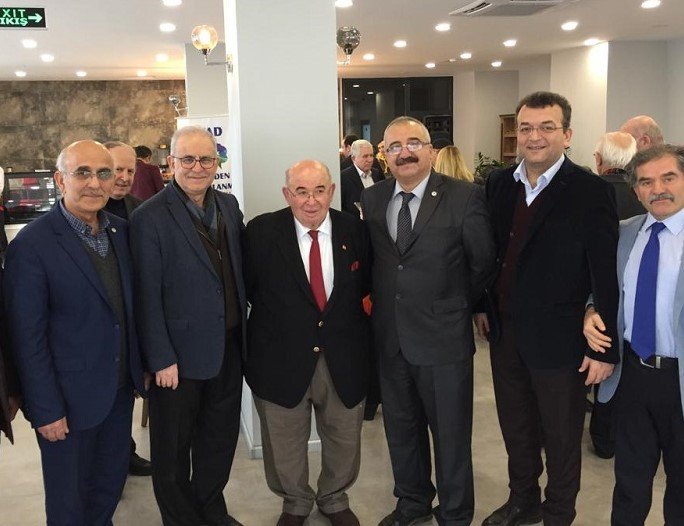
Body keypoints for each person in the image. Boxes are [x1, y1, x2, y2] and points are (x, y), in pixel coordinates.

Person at [474, 91, 619, 526]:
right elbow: (490, 254)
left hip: (562, 340)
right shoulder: (500, 184)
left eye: (546, 127)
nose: (534, 136)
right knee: (516, 427)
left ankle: (558, 513)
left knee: (560, 436)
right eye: (526, 128)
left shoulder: (590, 191)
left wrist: (604, 348)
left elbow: (604, 272)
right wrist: (482, 305)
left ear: (567, 135)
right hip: (505, 334)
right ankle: (523, 501)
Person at [360, 116, 496, 526]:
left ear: (431, 151)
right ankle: (412, 502)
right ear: (384, 156)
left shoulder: (464, 196)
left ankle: (455, 513)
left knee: (451, 434)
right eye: (394, 146)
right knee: (401, 430)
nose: (405, 152)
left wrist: (451, 304)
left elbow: (482, 262)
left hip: (443, 339)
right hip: (391, 338)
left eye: (414, 143)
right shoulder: (373, 198)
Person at [4, 140, 146, 525]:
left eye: (104, 173)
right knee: (69, 503)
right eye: (82, 172)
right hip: (66, 404)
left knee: (108, 488)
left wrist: (137, 370)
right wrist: (46, 409)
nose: (95, 183)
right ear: (60, 179)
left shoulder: (121, 232)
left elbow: (126, 311)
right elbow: (27, 339)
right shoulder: (32, 245)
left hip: (118, 395)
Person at [130, 126, 246, 526]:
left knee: (218, 441)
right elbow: (145, 295)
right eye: (188, 159)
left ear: (217, 163)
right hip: (176, 360)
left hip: (228, 348)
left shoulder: (228, 205)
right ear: (171, 163)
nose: (198, 167)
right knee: (172, 451)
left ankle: (212, 510)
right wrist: (160, 357)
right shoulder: (148, 217)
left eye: (207, 159)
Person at [245, 159, 371, 526]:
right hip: (280, 358)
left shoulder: (355, 229)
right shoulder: (261, 232)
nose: (311, 200)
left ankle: (334, 498)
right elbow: (250, 290)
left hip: (343, 356)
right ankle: (295, 503)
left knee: (344, 436)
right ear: (287, 194)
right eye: (301, 192)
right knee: (283, 441)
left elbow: (366, 287)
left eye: (319, 191)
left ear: (332, 192)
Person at [584, 144, 684, 526]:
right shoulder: (624, 233)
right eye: (646, 182)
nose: (658, 189)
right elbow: (600, 286)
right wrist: (590, 310)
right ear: (636, 191)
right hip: (633, 375)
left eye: (668, 178)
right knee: (629, 481)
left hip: (679, 378)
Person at [102, 140, 152, 477]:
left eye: (129, 171)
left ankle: (125, 454)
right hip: (101, 326)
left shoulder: (142, 210)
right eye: (116, 169)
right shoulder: (86, 212)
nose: (123, 177)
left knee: (125, 398)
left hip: (136, 320)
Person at [341, 139, 384, 218]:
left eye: (371, 155)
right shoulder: (344, 177)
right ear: (353, 158)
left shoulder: (376, 174)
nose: (370, 160)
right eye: (365, 156)